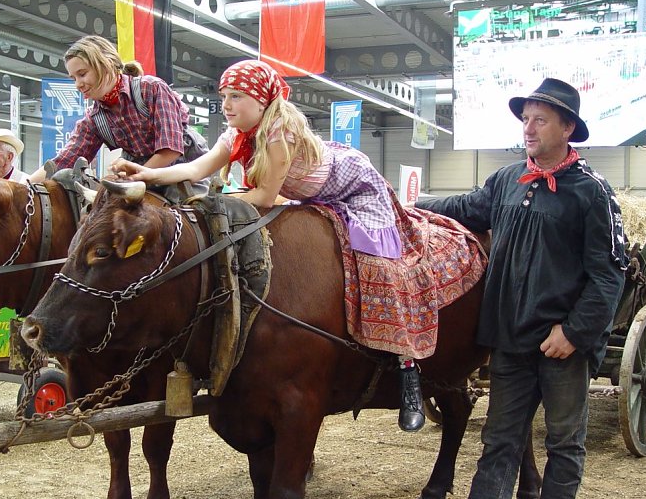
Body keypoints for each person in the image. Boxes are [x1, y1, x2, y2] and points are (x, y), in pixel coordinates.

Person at [112, 58, 427, 432]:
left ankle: (409, 371)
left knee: (380, 267)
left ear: (261, 101)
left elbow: (263, 195)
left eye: (236, 96)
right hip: (307, 196)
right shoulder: (235, 135)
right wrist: (148, 173)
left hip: (354, 190)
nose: (226, 104)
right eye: (224, 96)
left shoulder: (278, 134)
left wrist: (215, 202)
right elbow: (196, 170)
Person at [415, 78, 627, 499]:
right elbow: (465, 209)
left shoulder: (591, 192)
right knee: (499, 443)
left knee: (563, 443)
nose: (528, 128)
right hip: (508, 340)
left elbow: (609, 273)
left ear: (567, 128)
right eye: (525, 118)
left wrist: (575, 333)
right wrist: (410, 203)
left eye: (540, 120)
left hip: (560, 347)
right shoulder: (507, 179)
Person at [27, 35, 201, 200]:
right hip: (138, 179)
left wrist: (135, 177)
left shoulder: (151, 89)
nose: (78, 84)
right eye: (73, 78)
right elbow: (63, 161)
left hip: (183, 173)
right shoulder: (95, 119)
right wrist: (22, 187)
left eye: (82, 74)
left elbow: (170, 150)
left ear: (107, 63)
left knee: (197, 220)